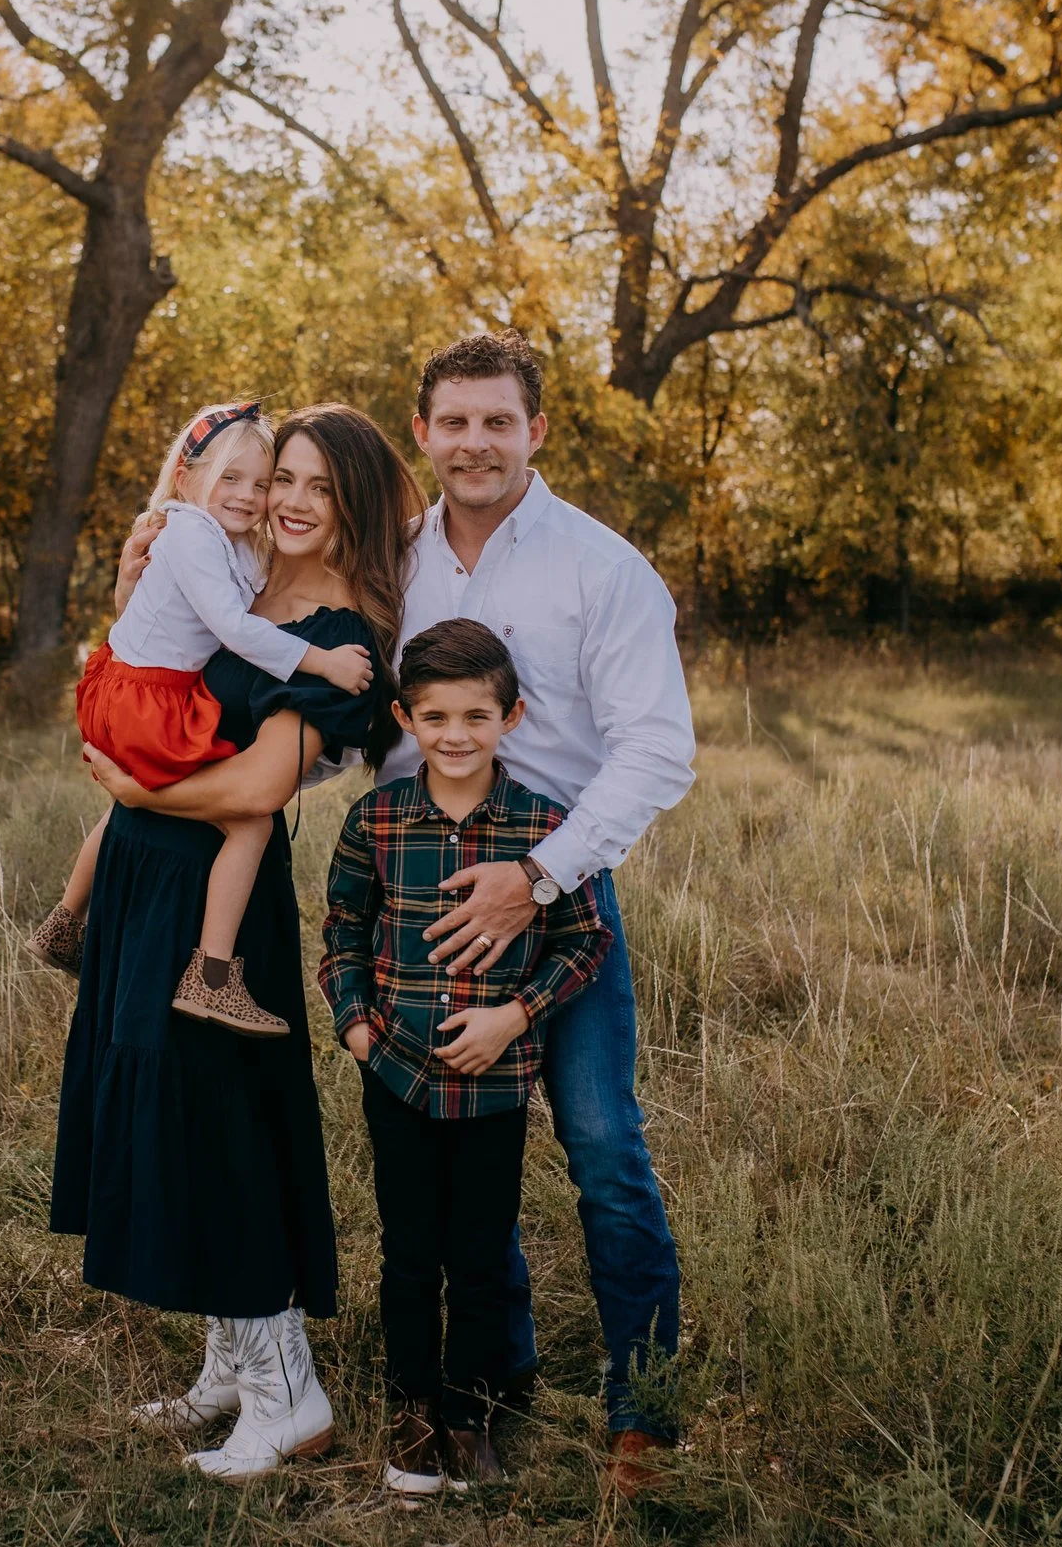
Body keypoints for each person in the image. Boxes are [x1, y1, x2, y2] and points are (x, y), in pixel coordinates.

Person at [60, 403, 424, 1481]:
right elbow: (154, 663)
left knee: (221, 1125)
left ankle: (288, 1393)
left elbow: (263, 785)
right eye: (284, 482)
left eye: (317, 486)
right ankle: (229, 1362)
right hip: (148, 876)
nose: (291, 502)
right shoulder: (248, 578)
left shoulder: (341, 636)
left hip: (210, 895)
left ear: (356, 501)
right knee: (172, 1111)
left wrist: (133, 788)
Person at [389, 330, 696, 1495]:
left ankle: (644, 1414)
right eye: (454, 421)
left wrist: (540, 874)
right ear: (422, 431)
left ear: (536, 431)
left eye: (497, 420)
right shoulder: (395, 560)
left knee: (604, 1145)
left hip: (558, 886)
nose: (475, 442)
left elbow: (657, 749)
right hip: (418, 889)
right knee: (463, 1156)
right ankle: (490, 1379)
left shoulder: (600, 568)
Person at [320, 618, 611, 1495]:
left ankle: (471, 1414)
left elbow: (584, 941)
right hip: (397, 1072)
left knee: (482, 1253)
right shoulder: (376, 818)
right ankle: (411, 1411)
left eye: (476, 717)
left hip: (494, 1083)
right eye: (436, 716)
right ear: (406, 716)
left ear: (511, 716)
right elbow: (341, 929)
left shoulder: (542, 827)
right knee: (409, 1250)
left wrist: (515, 1018)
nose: (455, 735)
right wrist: (357, 1028)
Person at [27, 401, 375, 1037]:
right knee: (250, 828)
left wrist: (138, 792)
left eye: (264, 482)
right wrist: (322, 663)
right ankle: (211, 975)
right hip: (144, 737)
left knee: (137, 801)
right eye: (274, 480)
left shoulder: (235, 549)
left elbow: (186, 623)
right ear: (186, 478)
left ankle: (67, 920)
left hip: (143, 750)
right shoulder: (200, 539)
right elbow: (229, 632)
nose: (262, 497)